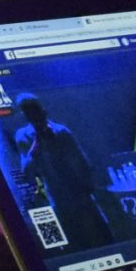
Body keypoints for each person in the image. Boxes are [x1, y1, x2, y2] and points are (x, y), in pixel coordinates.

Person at [8, 93, 124, 251]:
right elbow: (27, 170)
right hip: (52, 195)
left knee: (99, 230)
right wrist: (37, 143)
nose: (34, 115)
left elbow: (81, 161)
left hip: (78, 192)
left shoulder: (61, 132)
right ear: (24, 115)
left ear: (43, 110)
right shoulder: (22, 136)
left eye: (35, 110)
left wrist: (88, 186)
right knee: (67, 240)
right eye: (29, 112)